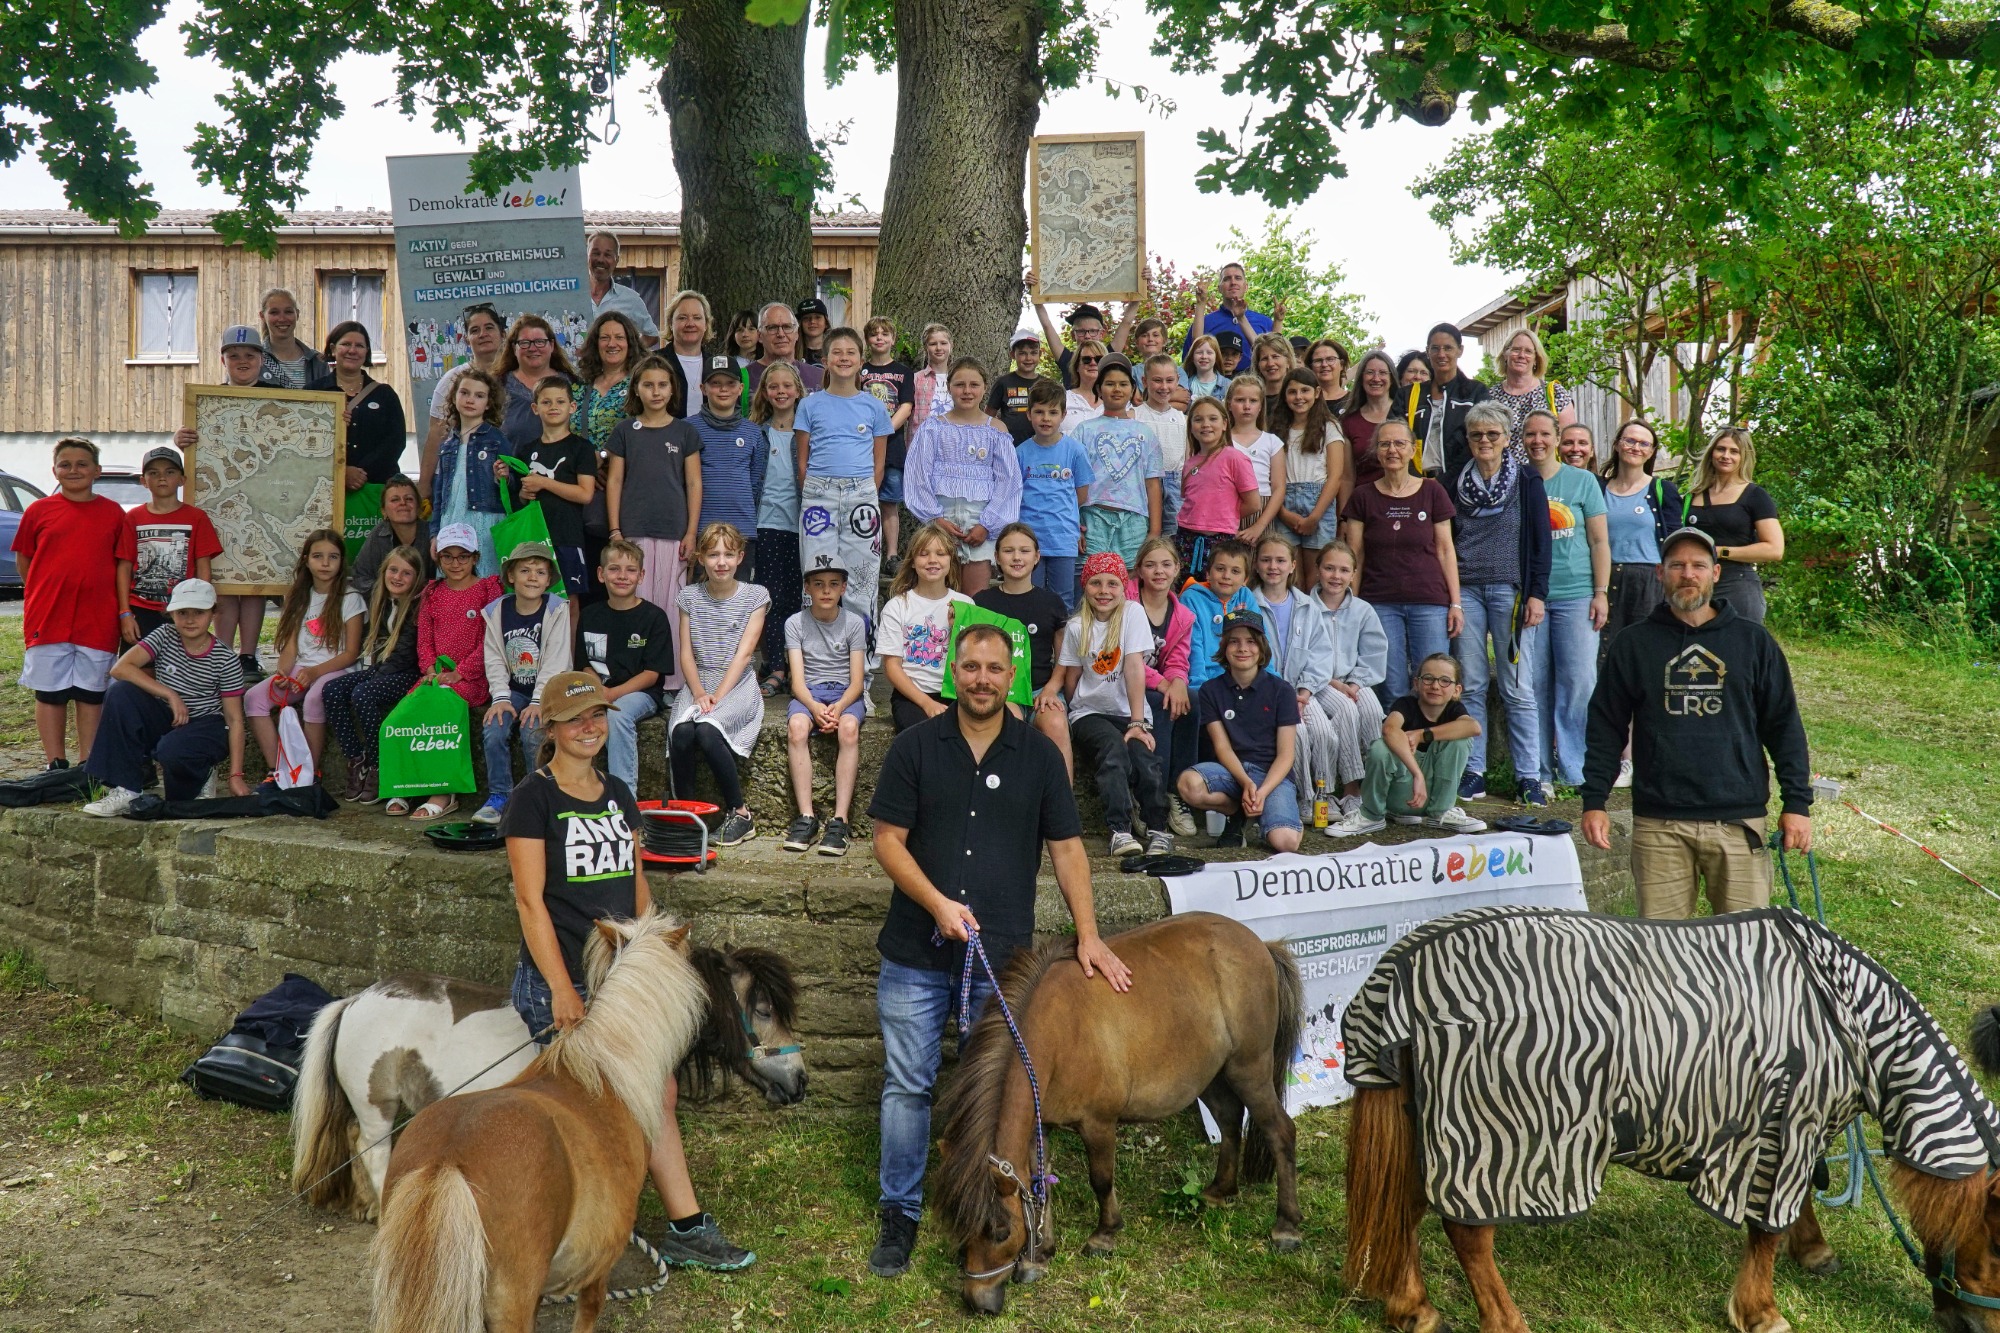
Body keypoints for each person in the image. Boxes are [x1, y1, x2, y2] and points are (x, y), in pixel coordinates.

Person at [865, 620, 1131, 1279]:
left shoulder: (1039, 755)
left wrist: (1090, 934)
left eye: (994, 667)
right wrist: (937, 904)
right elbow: (887, 841)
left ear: (1012, 673)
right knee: (908, 1084)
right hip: (914, 954)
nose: (982, 677)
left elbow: (1069, 849)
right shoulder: (916, 747)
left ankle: (1007, 1209)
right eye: (971, 666)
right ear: (954, 671)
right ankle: (899, 1212)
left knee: (1010, 1091)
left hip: (1003, 963)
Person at [502, 669, 753, 1272]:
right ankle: (593, 1224)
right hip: (562, 980)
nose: (588, 728)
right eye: (575, 720)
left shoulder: (617, 792)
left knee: (655, 1091)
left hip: (622, 980)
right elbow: (529, 901)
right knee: (603, 1104)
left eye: (597, 717)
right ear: (552, 728)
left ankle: (680, 1227)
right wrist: (561, 987)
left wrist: (656, 951)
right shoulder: (532, 799)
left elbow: (635, 882)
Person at [1580, 526, 1813, 918]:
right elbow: (1606, 726)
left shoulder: (1754, 642)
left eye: (1698, 565)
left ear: (1716, 574)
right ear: (1660, 573)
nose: (1688, 574)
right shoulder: (1634, 644)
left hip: (1739, 821)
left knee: (1744, 950)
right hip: (1660, 824)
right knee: (1660, 955)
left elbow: (1784, 725)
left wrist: (1798, 804)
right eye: (1677, 565)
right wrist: (1594, 800)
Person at [1448, 402, 1552, 806]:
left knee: (1517, 687)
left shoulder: (1527, 480)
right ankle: (1474, 771)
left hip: (1511, 593)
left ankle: (1529, 776)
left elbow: (1542, 543)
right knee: (1470, 683)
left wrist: (1537, 594)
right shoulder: (1453, 481)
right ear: (1469, 440)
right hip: (1468, 592)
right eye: (1477, 435)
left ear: (1508, 438)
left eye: (1493, 434)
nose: (1485, 441)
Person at [80, 579, 250, 814]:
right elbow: (120, 669)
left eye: (199, 612)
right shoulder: (165, 635)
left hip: (205, 725)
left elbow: (234, 720)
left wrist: (236, 774)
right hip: (168, 715)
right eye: (182, 612)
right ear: (171, 614)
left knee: (172, 756)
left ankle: (204, 772)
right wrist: (169, 693)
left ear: (212, 613)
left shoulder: (225, 658)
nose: (190, 620)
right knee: (120, 693)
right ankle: (126, 788)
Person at [16, 438, 132, 770]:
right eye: (65, 465)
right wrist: (44, 589)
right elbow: (26, 560)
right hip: (48, 616)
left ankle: (88, 763)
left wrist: (121, 611)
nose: (73, 470)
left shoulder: (112, 513)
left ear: (97, 470)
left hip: (97, 618)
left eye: (82, 464)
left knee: (90, 693)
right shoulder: (39, 510)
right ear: (54, 470)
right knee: (50, 693)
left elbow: (121, 565)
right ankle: (56, 762)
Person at [172, 326, 275, 678]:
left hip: (264, 499)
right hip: (223, 503)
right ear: (223, 360)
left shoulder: (281, 399)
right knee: (226, 582)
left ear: (262, 359)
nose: (242, 362)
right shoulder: (207, 402)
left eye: (250, 355)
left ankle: (247, 654)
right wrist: (182, 439)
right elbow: (199, 455)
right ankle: (223, 652)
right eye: (234, 355)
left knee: (257, 580)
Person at [1339, 418, 1462, 695]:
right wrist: (1353, 605)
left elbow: (1445, 549)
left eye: (1399, 443)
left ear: (1412, 450)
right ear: (1376, 451)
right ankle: (1392, 739)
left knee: (1432, 684)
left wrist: (1456, 603)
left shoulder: (1433, 491)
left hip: (1429, 602)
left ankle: (1428, 739)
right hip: (1380, 604)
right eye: (1384, 444)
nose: (1392, 450)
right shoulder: (1362, 497)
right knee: (1390, 687)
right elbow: (1355, 555)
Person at [1522, 408, 1610, 788]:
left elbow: (1599, 540)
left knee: (1578, 683)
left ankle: (1575, 771)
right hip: (1532, 598)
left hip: (1577, 594)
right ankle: (1538, 771)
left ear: (1557, 439)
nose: (1538, 441)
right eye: (1530, 435)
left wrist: (1601, 592)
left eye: (1545, 434)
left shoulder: (1583, 481)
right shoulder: (1518, 481)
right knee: (1534, 684)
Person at [1059, 552, 1167, 857]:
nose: (1104, 590)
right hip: (1089, 713)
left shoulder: (1132, 613)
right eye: (1095, 583)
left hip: (1129, 712)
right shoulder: (1077, 626)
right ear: (1085, 586)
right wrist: (1074, 710)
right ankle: (1120, 830)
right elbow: (1072, 677)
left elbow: (1134, 667)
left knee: (1144, 759)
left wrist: (1137, 723)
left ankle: (1157, 827)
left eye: (1112, 583)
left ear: (1123, 587)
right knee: (1112, 749)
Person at [606, 355, 703, 686]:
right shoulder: (625, 431)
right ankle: (635, 679)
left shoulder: (684, 431)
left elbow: (693, 483)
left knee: (672, 610)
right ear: (637, 388)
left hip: (674, 533)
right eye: (648, 384)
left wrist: (691, 532)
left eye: (663, 384)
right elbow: (615, 481)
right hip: (633, 533)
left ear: (673, 388)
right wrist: (616, 529)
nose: (656, 391)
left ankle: (673, 681)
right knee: (636, 607)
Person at [669, 523, 767, 846]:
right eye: (713, 555)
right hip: (699, 680)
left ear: (740, 557)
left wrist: (716, 699)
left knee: (708, 730)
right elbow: (686, 654)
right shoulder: (689, 597)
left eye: (728, 554)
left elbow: (745, 654)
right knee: (682, 731)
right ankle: (687, 816)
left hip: (736, 682)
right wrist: (698, 693)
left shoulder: (755, 596)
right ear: (701, 558)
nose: (720, 562)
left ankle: (741, 813)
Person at [1178, 609, 1301, 852]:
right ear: (1224, 647)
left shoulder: (1282, 690)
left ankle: (1275, 813)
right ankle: (1238, 810)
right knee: (1188, 784)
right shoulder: (1211, 690)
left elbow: (1286, 754)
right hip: (1231, 772)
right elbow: (1222, 746)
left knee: (1285, 843)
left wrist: (1262, 791)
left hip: (1271, 775)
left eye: (1251, 642)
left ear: (1261, 647)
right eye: (1234, 641)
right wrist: (1245, 784)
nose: (1242, 648)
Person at [244, 528, 363, 780]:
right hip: (303, 669)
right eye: (318, 556)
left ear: (342, 562)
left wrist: (315, 672)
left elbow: (352, 653)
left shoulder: (350, 598)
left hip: (335, 670)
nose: (325, 563)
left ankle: (309, 773)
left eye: (333, 557)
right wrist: (283, 673)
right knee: (254, 698)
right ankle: (279, 770)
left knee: (314, 699)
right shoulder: (299, 597)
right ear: (306, 561)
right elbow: (291, 647)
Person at [1326, 652, 1487, 836]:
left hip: (1432, 796)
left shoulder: (1454, 710)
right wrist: (1417, 774)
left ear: (1457, 690)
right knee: (1380, 747)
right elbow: (1389, 729)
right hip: (1401, 793)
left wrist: (1422, 735)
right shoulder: (1406, 705)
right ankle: (1371, 815)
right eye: (1428, 679)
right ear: (1416, 683)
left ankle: (1442, 812)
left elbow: (1473, 727)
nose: (1435, 686)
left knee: (1460, 739)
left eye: (1444, 681)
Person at [794, 330, 892, 630]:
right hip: (819, 494)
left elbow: (879, 464)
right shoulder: (810, 405)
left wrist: (864, 494)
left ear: (861, 361)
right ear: (825, 360)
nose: (844, 357)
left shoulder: (874, 406)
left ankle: (860, 663)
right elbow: (802, 463)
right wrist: (815, 490)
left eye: (851, 352)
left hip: (860, 494)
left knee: (861, 580)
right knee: (816, 577)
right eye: (837, 352)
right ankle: (814, 659)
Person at [903, 356, 1020, 597]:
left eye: (974, 385)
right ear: (949, 387)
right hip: (940, 523)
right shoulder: (933, 428)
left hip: (980, 524)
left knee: (974, 598)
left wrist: (987, 525)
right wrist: (935, 518)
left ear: (984, 387)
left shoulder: (996, 430)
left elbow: (1008, 483)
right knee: (937, 594)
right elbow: (917, 476)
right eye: (960, 384)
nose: (967, 391)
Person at [478, 540, 574, 824]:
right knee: (494, 728)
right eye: (525, 570)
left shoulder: (556, 609)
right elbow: (494, 657)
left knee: (533, 730)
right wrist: (500, 698)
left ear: (548, 581)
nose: (533, 577)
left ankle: (540, 797)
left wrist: (537, 702)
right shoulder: (497, 611)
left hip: (550, 690)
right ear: (511, 576)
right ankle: (500, 797)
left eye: (541, 572)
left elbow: (556, 661)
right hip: (515, 689)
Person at [324, 545, 428, 804]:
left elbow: (404, 657)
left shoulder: (417, 608)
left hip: (407, 675)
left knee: (364, 693)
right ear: (384, 572)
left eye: (406, 573)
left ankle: (379, 763)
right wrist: (374, 674)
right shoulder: (380, 601)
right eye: (393, 570)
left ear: (416, 579)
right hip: (382, 671)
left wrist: (374, 677)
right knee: (332, 690)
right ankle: (356, 758)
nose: (398, 577)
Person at [413, 525, 504, 821]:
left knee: (442, 708)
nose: (455, 564)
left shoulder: (488, 590)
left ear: (475, 557)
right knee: (411, 707)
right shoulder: (433, 592)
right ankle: (410, 781)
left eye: (463, 556)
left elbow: (491, 639)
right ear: (438, 559)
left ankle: (445, 789)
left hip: (473, 679)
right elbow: (424, 637)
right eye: (448, 557)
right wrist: (429, 668)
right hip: (436, 676)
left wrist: (461, 672)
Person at [1251, 535, 1343, 816]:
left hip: (1302, 689)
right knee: (1298, 735)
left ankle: (1323, 795)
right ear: (1256, 565)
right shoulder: (1250, 604)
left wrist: (1304, 692)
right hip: (1268, 693)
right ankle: (1302, 797)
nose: (1273, 567)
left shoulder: (1307, 606)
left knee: (1324, 733)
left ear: (1293, 565)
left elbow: (1320, 654)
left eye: (1280, 560)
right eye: (1266, 560)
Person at [576, 538, 676, 797]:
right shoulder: (590, 614)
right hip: (597, 690)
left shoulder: (654, 617)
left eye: (631, 570)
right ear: (600, 574)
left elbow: (652, 673)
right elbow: (584, 663)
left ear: (641, 576)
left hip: (640, 694)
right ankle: (571, 795)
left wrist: (611, 695)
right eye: (614, 569)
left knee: (617, 715)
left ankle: (623, 801)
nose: (622, 576)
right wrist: (599, 690)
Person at [781, 566, 868, 857]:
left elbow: (857, 682)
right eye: (818, 584)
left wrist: (839, 707)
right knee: (796, 728)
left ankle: (839, 820)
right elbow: (797, 682)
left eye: (833, 584)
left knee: (848, 729)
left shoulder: (854, 622)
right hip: (811, 693)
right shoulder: (795, 623)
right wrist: (815, 707)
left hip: (844, 692)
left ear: (844, 587)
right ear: (808, 588)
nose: (826, 591)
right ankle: (806, 817)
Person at [976, 522, 1074, 772]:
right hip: (1001, 690)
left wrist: (1051, 690)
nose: (1017, 557)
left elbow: (1064, 658)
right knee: (1010, 721)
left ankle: (1063, 806)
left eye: (1024, 551)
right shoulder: (982, 602)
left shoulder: (1051, 602)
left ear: (1036, 557)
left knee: (1055, 723)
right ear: (996, 557)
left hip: (1042, 688)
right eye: (1008, 551)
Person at [1310, 541, 1388, 817]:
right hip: (1318, 682)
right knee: (1346, 711)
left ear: (1354, 574)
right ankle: (1349, 788)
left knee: (1371, 709)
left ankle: (1376, 782)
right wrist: (1335, 685)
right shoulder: (1305, 608)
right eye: (1329, 568)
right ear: (1318, 570)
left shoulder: (1362, 610)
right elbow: (1302, 655)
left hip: (1354, 679)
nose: (1336, 576)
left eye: (1344, 570)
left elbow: (1373, 652)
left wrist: (1355, 682)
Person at [505, 377, 599, 597]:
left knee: (569, 599)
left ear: (572, 407)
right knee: (533, 597)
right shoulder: (526, 451)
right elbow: (521, 500)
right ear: (535, 408)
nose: (554, 407)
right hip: (534, 537)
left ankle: (567, 634)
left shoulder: (582, 448)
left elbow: (585, 494)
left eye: (560, 401)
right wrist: (523, 493)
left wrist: (544, 482)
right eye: (546, 402)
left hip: (567, 536)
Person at [117, 446, 221, 641]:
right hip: (141, 609)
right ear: (143, 481)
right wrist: (125, 612)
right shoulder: (133, 517)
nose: (162, 478)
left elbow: (203, 566)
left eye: (170, 472)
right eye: (153, 473)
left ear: (182, 480)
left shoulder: (197, 518)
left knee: (180, 667)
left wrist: (201, 606)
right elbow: (124, 566)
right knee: (139, 667)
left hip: (182, 609)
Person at [1600, 418, 1680, 667]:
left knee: (1645, 654)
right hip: (1603, 581)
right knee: (1602, 655)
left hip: (1648, 584)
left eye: (1644, 443)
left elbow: (1676, 543)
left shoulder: (1662, 490)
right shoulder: (1597, 487)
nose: (1636, 447)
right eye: (1630, 440)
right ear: (1617, 445)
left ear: (1652, 451)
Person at [1683, 426, 1783, 626]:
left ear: (1743, 456)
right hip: (1695, 584)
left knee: (1740, 649)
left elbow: (1774, 549)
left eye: (1734, 451)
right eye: (1721, 449)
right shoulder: (1691, 496)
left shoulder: (1755, 495)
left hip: (1737, 583)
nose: (1725, 456)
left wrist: (1719, 552)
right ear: (1711, 452)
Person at [573, 311, 646, 583]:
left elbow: (644, 431)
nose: (612, 343)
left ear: (630, 342)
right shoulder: (580, 387)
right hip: (583, 486)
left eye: (619, 337)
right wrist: (587, 466)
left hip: (626, 486)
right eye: (605, 337)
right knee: (589, 573)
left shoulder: (639, 385)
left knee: (622, 569)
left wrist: (604, 459)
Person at [878, 523, 972, 732]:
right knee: (924, 737)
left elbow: (973, 658)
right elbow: (892, 666)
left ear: (950, 560)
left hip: (956, 693)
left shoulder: (965, 604)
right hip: (911, 695)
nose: (932, 560)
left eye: (941, 554)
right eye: (923, 554)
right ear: (912, 562)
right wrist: (926, 703)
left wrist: (958, 630)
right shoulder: (898, 606)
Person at [1131, 537, 1196, 834]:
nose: (1159, 571)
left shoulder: (1182, 615)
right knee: (1161, 703)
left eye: (1166, 565)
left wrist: (1179, 681)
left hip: (1160, 683)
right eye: (1151, 565)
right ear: (1139, 570)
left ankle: (1175, 792)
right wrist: (1163, 685)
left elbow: (1178, 658)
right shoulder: (1126, 601)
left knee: (1192, 703)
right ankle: (1149, 796)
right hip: (1125, 682)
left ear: (1177, 569)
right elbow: (1122, 657)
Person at [1072, 356, 1163, 568]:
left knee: (1130, 580)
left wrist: (1155, 531)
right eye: (1110, 384)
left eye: (1123, 384)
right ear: (1099, 389)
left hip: (1134, 522)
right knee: (1090, 576)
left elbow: (1153, 484)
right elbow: (1072, 482)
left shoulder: (1145, 433)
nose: (1116, 389)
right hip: (1092, 518)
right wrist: (1073, 524)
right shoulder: (1084, 430)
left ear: (1133, 390)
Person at [1012, 378, 1093, 613]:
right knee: (1029, 596)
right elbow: (1015, 496)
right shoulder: (1020, 453)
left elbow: (1081, 494)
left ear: (1063, 415)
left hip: (1063, 539)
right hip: (1029, 539)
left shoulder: (1075, 451)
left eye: (1052, 412)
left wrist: (1066, 518)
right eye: (1039, 412)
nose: (1045, 418)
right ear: (1029, 414)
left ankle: (1060, 649)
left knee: (1063, 600)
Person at [752, 361, 808, 696]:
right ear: (765, 392)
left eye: (788, 385)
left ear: (799, 390)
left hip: (803, 526)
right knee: (770, 597)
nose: (781, 392)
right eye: (774, 386)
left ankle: (796, 666)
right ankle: (774, 666)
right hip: (766, 525)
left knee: (798, 597)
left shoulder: (808, 433)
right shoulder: (757, 432)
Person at [428, 366, 510, 576]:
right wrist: (435, 533)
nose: (470, 399)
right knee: (454, 579)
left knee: (483, 577)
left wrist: (505, 477)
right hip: (451, 519)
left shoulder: (496, 439)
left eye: (479, 395)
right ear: (454, 397)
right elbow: (439, 494)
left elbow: (513, 485)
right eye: (464, 393)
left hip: (484, 519)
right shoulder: (447, 444)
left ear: (488, 403)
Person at [1269, 367, 1350, 578]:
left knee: (1317, 575)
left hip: (1319, 504)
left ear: (1316, 392)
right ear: (1284, 395)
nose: (1299, 397)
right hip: (1284, 502)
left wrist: (1314, 517)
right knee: (1288, 575)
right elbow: (1270, 476)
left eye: (1304, 391)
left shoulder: (1329, 427)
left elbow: (1336, 476)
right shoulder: (1276, 430)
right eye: (1292, 392)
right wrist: (1282, 513)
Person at [310, 321, 408, 494]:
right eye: (346, 344)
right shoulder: (314, 392)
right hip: (325, 489)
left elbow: (395, 442)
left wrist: (359, 474)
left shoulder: (385, 395)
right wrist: (341, 472)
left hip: (376, 488)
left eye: (359, 346)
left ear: (366, 352)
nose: (352, 350)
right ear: (333, 349)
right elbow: (304, 442)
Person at [689, 354, 766, 568]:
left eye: (730, 383)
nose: (723, 389)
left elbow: (755, 483)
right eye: (715, 384)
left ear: (740, 388)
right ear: (703, 388)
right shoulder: (688, 429)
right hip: (702, 529)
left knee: (739, 597)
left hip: (742, 530)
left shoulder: (753, 432)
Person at [421, 303, 507, 492]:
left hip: (503, 475)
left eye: (489, 327)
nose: (482, 334)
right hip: (455, 478)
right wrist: (424, 484)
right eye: (475, 330)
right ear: (467, 340)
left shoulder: (516, 378)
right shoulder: (452, 380)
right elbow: (436, 435)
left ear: (503, 334)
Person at [1173, 397, 1260, 582]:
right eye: (1198, 419)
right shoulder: (1190, 463)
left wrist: (1222, 516)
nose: (1206, 425)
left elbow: (1253, 503)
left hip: (1219, 541)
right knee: (1185, 589)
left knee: (1216, 589)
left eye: (1213, 419)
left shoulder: (1234, 458)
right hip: (1185, 538)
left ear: (1224, 424)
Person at [861, 316, 917, 569]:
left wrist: (883, 431)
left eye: (885, 334)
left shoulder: (904, 372)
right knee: (863, 499)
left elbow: (906, 406)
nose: (880, 338)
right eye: (874, 334)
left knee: (889, 502)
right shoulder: (860, 371)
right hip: (860, 445)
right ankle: (864, 550)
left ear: (893, 339)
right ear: (867, 340)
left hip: (892, 446)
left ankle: (891, 555)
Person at [1405, 323, 1487, 480]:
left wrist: (1444, 480)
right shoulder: (1407, 395)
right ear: (1428, 351)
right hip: (1414, 483)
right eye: (1435, 348)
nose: (1441, 354)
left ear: (1460, 350)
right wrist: (1413, 479)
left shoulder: (1476, 392)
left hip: (1462, 482)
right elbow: (1396, 439)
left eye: (1448, 348)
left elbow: (1478, 440)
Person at [1484, 328, 1577, 457]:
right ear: (1505, 354)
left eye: (1528, 351)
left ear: (1536, 359)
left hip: (1544, 474)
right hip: (1503, 474)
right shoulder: (1490, 397)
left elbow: (1568, 441)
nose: (1522, 355)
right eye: (1516, 349)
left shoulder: (1555, 393)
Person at [495, 315, 580, 449]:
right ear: (514, 348)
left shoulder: (574, 384)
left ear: (551, 345)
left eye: (540, 341)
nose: (533, 348)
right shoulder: (497, 386)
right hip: (512, 469)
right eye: (524, 343)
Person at [1224, 375, 1287, 547]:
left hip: (1262, 511)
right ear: (1229, 403)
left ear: (1260, 406)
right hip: (1227, 508)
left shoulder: (1272, 441)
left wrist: (1259, 526)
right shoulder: (1221, 441)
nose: (1246, 406)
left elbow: (1279, 487)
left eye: (1253, 401)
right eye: (1240, 400)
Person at [1132, 354, 1188, 537]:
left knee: (1173, 536)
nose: (1164, 387)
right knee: (1144, 535)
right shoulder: (1134, 415)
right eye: (1157, 380)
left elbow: (1188, 458)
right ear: (1144, 381)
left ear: (1178, 381)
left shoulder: (1183, 419)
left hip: (1175, 483)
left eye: (1169, 380)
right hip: (1143, 483)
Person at [1183, 262, 1282, 355]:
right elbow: (1190, 360)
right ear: (1219, 288)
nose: (1233, 282)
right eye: (1227, 279)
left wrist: (1278, 321)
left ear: (1246, 287)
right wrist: (1200, 304)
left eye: (1238, 278)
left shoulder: (1264, 322)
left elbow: (1276, 355)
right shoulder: (1203, 323)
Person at [585, 231, 661, 346]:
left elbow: (652, 336)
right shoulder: (571, 295)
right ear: (587, 256)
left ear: (616, 260)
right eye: (596, 253)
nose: (601, 259)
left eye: (607, 255)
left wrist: (628, 353)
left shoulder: (630, 299)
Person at [1340, 349, 1398, 490]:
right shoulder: (1349, 421)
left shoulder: (1406, 414)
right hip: (1364, 505)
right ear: (1361, 378)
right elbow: (1347, 478)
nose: (1376, 378)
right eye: (1370, 372)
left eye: (1383, 373)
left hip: (1404, 503)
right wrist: (1345, 512)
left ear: (1392, 378)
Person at [254, 287, 328, 389]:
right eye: (274, 312)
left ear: (297, 314)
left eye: (288, 312)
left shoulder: (317, 362)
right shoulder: (253, 360)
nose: (282, 318)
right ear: (262, 316)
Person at [747, 303, 825, 394]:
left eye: (787, 327)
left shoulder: (819, 377)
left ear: (797, 334)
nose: (781, 334)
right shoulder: (742, 378)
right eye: (772, 328)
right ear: (759, 335)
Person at [986, 327, 1044, 444]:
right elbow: (988, 415)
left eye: (1033, 353)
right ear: (1013, 354)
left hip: (1039, 445)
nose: (1028, 358)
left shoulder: (1045, 384)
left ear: (1040, 354)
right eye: (1022, 353)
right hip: (1008, 445)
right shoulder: (1003, 382)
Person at [661, 289, 714, 416]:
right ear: (671, 324)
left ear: (706, 324)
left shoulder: (714, 365)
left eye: (697, 318)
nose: (690, 324)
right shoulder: (655, 362)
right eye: (682, 318)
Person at [1063, 339, 1107, 432]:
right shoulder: (1063, 399)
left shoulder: (1116, 402)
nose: (1093, 363)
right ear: (1077, 366)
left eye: (1099, 359)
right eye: (1086, 359)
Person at [1251, 332, 1297, 408]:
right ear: (1258, 365)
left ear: (1288, 361)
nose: (1270, 363)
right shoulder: (1252, 399)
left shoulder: (1299, 397)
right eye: (1264, 359)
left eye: (1275, 357)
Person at [1184, 333, 1227, 402]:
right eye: (1199, 352)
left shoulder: (1228, 386)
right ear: (1192, 357)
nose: (1204, 356)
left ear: (1216, 357)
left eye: (1209, 353)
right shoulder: (1185, 386)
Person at [1306, 338, 1350, 406]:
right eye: (1318, 361)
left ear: (1341, 364)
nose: (1324, 364)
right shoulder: (1304, 401)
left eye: (1330, 359)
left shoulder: (1354, 401)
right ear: (1310, 367)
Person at [796, 296, 830, 365]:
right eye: (806, 318)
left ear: (826, 323)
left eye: (817, 317)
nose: (812, 321)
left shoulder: (836, 350)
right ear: (800, 324)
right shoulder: (792, 351)